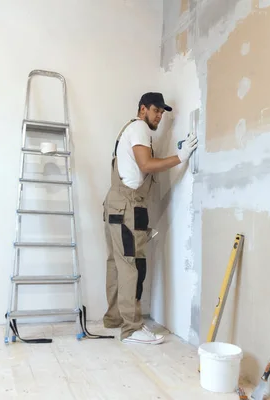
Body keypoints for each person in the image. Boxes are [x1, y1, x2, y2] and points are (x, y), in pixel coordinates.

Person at [102, 92, 198, 345]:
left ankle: (115, 319)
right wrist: (181, 157)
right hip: (128, 206)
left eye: (162, 113)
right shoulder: (140, 128)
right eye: (156, 110)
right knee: (131, 265)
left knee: (117, 263)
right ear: (143, 109)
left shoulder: (130, 130)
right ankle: (132, 329)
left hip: (116, 204)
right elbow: (146, 165)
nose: (159, 116)